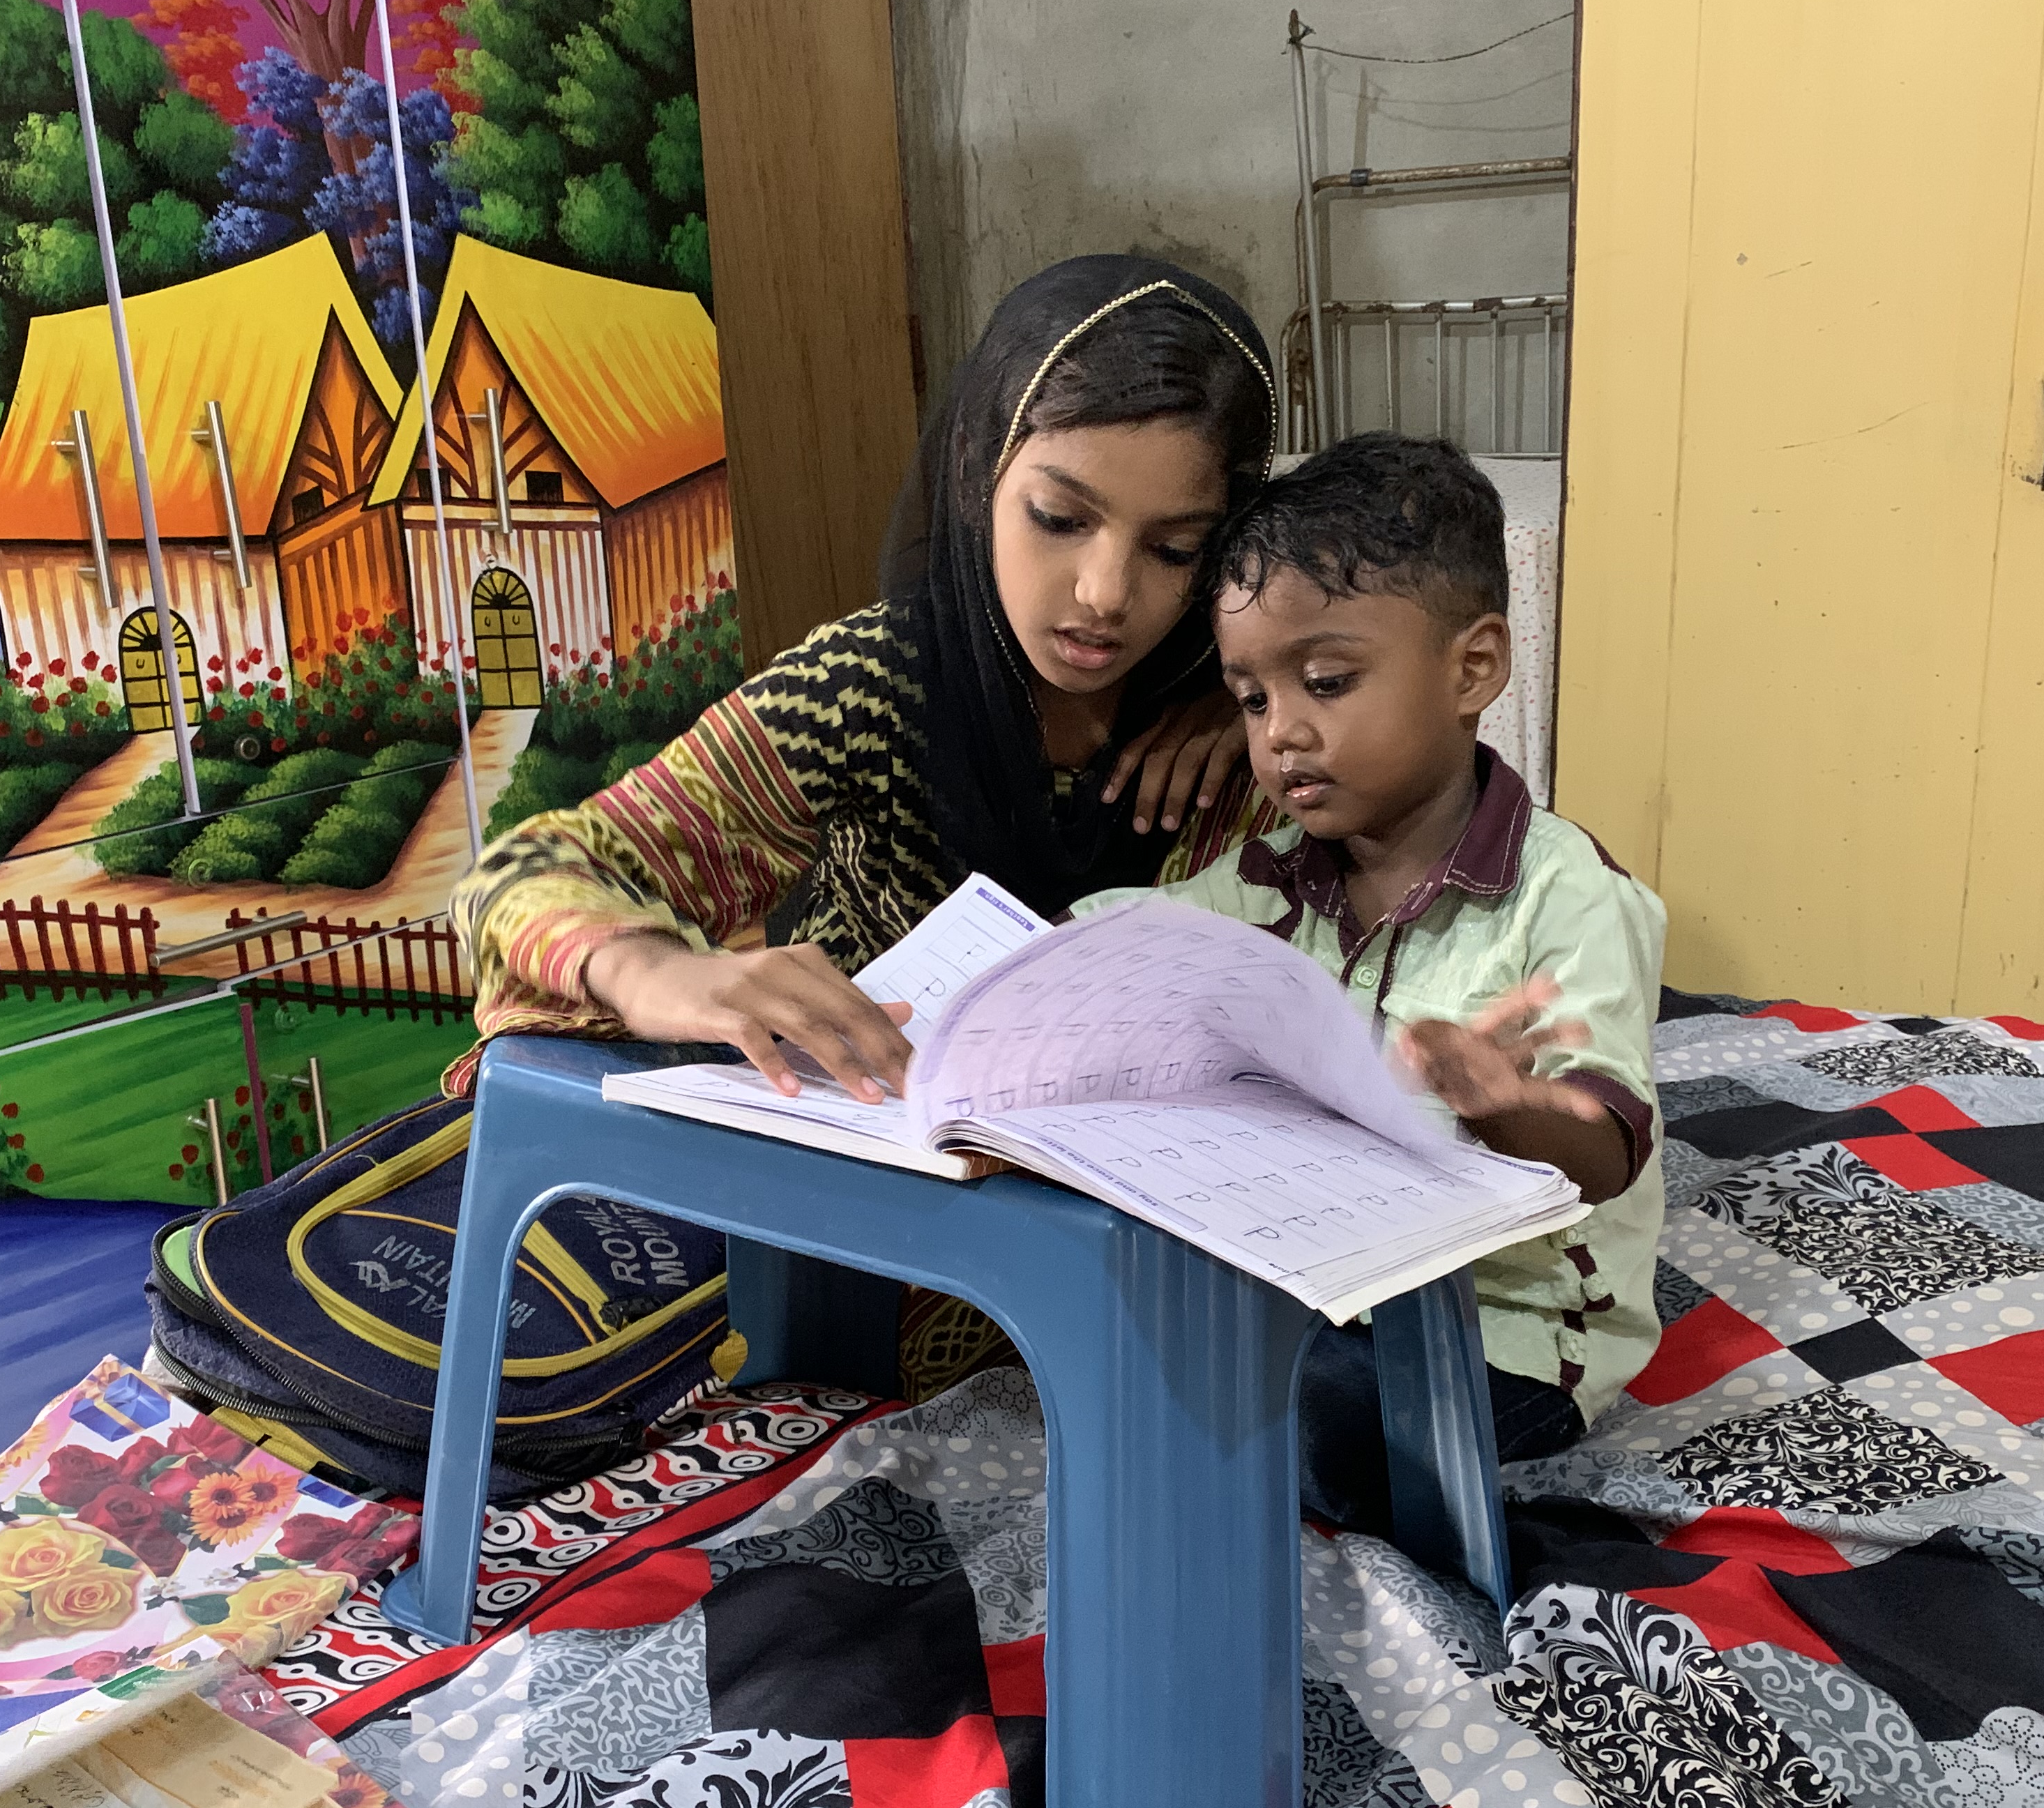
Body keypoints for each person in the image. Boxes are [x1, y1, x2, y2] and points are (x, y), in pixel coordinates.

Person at [448, 256, 1283, 1099]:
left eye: (1176, 549)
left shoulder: (1252, 719)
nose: (1106, 594)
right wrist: (651, 970)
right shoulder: (871, 689)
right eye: (1060, 520)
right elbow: (518, 876)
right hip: (868, 1155)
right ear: (975, 472)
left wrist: (1259, 693)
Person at [1074, 432, 1666, 1528]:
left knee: (1286, 1422)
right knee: (1133, 1338)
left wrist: (1509, 1108)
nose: (1281, 735)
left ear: (1473, 669)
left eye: (1328, 682)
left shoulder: (1569, 898)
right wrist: (1003, 970)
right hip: (1335, 1279)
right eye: (1250, 700)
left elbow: (1606, 1149)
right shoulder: (1276, 879)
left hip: (1508, 1336)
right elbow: (1130, 933)